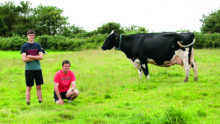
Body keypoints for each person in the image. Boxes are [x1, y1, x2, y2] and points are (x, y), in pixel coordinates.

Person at [21, 29, 44, 105]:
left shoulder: (38, 45)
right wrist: (36, 56)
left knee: (39, 87)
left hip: (38, 69)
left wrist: (30, 56)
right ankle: (28, 103)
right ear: (27, 36)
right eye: (30, 35)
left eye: (33, 35)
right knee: (29, 87)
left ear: (34, 36)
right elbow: (24, 59)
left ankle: (40, 102)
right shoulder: (24, 46)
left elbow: (41, 57)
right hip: (29, 70)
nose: (31, 37)